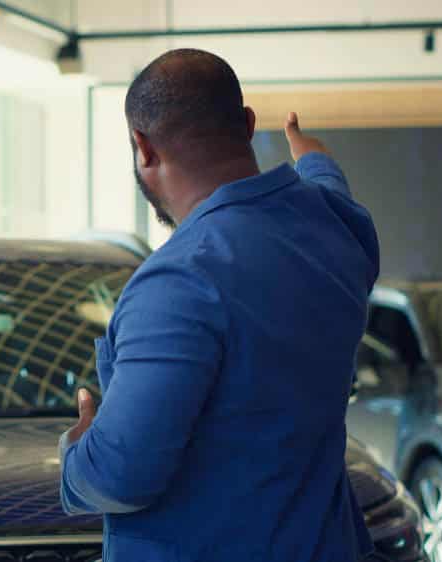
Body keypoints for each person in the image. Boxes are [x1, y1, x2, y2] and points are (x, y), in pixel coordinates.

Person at [59, 49, 379, 561]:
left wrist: (77, 450)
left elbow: (119, 476)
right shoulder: (338, 231)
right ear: (248, 125)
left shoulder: (179, 279)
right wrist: (313, 157)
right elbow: (331, 190)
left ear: (143, 146)